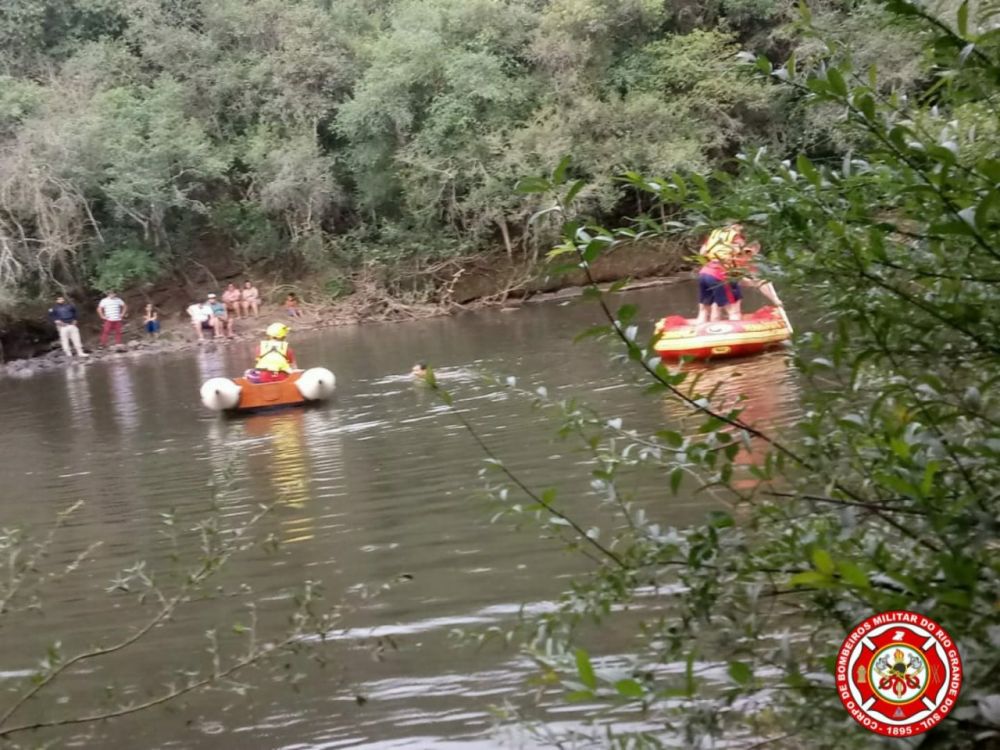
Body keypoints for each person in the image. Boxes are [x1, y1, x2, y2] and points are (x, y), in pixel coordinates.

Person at [696, 224, 747, 324]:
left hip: (705, 272)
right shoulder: (736, 237)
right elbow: (741, 252)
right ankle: (736, 334)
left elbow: (702, 252)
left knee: (704, 310)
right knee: (733, 311)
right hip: (720, 274)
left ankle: (700, 332)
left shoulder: (714, 235)